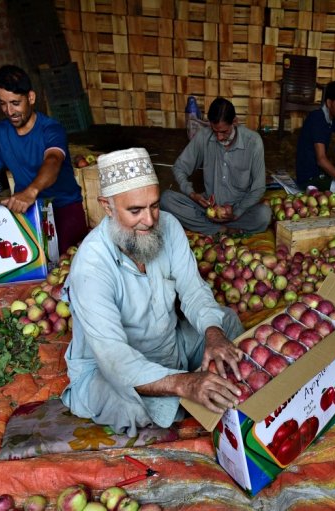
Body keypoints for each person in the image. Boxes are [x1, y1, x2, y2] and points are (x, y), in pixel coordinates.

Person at [61, 147, 245, 436]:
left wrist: (212, 334)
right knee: (132, 408)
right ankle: (187, 390)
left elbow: (193, 289)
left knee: (226, 322)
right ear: (107, 207)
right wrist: (186, 383)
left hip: (170, 346)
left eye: (155, 206)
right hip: (109, 367)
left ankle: (190, 385)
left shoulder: (168, 227)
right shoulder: (91, 266)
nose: (149, 220)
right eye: (135, 210)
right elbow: (115, 359)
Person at [0, 65, 88, 254]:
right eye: (3, 103)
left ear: (31, 98)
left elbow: (53, 161)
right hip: (26, 212)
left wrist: (31, 192)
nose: (9, 111)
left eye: (15, 102)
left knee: (65, 265)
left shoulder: (51, 129)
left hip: (64, 208)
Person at [160, 97, 271, 236]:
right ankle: (220, 230)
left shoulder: (253, 142)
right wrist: (192, 194)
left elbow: (258, 188)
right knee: (166, 199)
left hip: (238, 212)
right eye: (215, 130)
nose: (219, 137)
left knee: (264, 215)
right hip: (207, 211)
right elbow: (179, 167)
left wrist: (236, 213)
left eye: (223, 132)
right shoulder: (203, 137)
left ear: (235, 122)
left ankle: (209, 228)